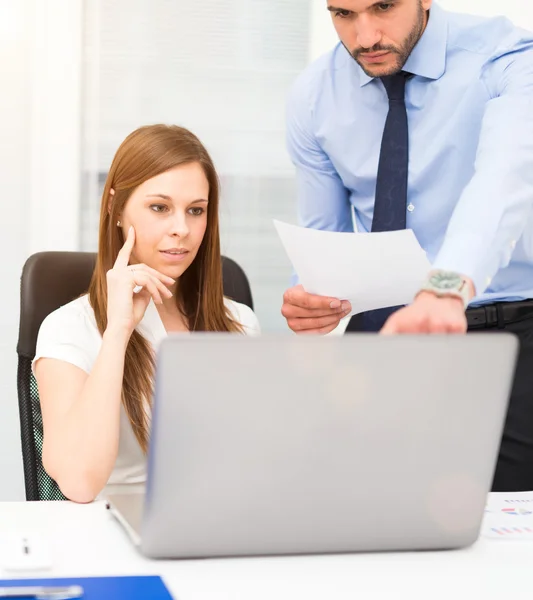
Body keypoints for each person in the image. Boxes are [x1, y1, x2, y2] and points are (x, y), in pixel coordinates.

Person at [281, 0, 533, 491]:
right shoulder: (314, 95)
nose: (365, 37)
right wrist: (311, 295)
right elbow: (325, 235)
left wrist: (443, 291)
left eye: (383, 7)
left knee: (501, 534)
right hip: (383, 341)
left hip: (508, 336)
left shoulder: (507, 58)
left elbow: (503, 186)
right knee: (359, 511)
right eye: (343, 14)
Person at [33, 124, 260, 503]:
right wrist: (118, 332)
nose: (181, 229)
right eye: (160, 207)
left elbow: (255, 461)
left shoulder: (238, 322)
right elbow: (80, 482)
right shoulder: (68, 328)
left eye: (196, 211)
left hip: (217, 527)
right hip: (111, 534)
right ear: (115, 208)